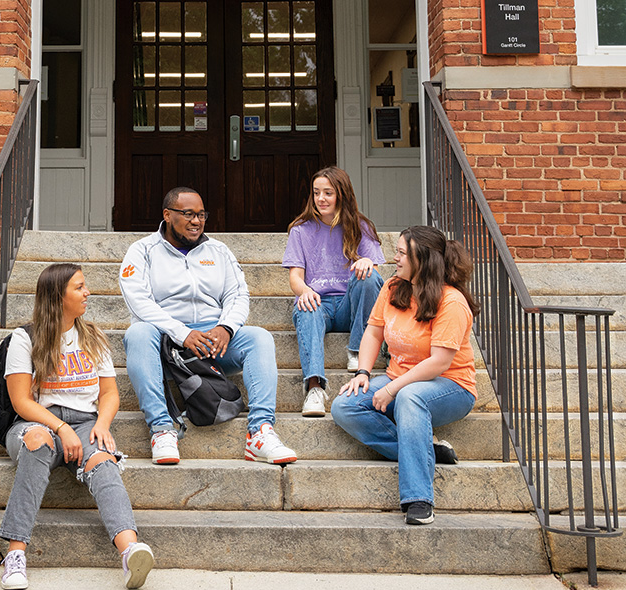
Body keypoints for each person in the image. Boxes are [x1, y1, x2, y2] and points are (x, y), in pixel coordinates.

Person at [0, 263, 154, 590]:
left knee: (103, 461)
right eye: (79, 287)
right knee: (38, 441)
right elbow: (21, 401)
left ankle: (130, 551)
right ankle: (15, 554)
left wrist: (102, 425)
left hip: (85, 422)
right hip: (35, 422)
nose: (87, 293)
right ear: (58, 297)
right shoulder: (25, 339)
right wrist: (60, 427)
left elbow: (110, 393)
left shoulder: (92, 336)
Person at [120, 187, 297, 465]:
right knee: (137, 333)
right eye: (188, 214)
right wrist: (182, 332)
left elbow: (237, 294)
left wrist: (225, 327)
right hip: (167, 344)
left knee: (259, 337)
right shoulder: (142, 251)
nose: (196, 221)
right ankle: (162, 429)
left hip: (213, 341)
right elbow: (138, 301)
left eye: (201, 215)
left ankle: (260, 432)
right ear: (167, 215)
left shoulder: (218, 250)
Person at [331, 226, 478, 525]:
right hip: (401, 379)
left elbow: (439, 362)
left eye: (400, 253)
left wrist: (392, 388)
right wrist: (363, 372)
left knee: (411, 397)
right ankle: (424, 450)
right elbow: (373, 332)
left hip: (451, 386)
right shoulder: (393, 287)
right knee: (344, 405)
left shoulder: (451, 302)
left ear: (421, 259)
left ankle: (419, 498)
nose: (393, 258)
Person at [283, 166, 385, 417]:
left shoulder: (361, 226)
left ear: (342, 194)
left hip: (352, 304)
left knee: (370, 277)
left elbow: (375, 272)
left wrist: (365, 262)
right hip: (320, 304)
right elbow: (295, 277)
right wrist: (305, 290)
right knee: (304, 306)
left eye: (328, 193)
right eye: (316, 192)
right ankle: (315, 388)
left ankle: (357, 350)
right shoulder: (300, 230)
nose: (321, 199)